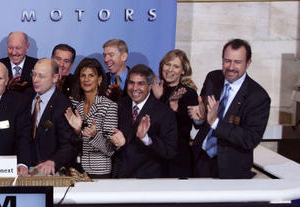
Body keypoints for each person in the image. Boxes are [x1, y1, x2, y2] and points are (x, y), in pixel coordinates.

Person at [189, 39, 270, 179]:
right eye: (227, 61)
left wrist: (215, 123)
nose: (231, 67)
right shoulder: (213, 78)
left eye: (237, 62)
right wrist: (200, 119)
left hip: (230, 169)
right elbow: (202, 118)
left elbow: (250, 139)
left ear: (248, 63)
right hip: (200, 159)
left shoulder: (258, 97)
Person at [109, 65, 178, 178]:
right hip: (120, 178)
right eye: (131, 83)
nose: (135, 88)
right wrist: (117, 145)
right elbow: (108, 143)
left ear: (150, 86)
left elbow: (170, 151)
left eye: (141, 83)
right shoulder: (118, 106)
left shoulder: (164, 113)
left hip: (148, 181)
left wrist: (146, 139)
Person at [64, 58, 118, 178]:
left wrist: (94, 136)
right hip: (74, 169)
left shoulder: (109, 106)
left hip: (99, 172)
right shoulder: (73, 104)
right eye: (83, 75)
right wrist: (77, 131)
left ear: (99, 80)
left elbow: (110, 149)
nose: (86, 79)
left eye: (91, 75)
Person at [151, 49, 198, 178]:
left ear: (183, 71)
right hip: (154, 156)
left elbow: (183, 131)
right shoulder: (154, 90)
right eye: (167, 64)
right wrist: (158, 98)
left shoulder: (188, 93)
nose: (170, 69)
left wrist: (174, 109)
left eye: (176, 66)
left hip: (177, 158)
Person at [29, 58, 76, 175]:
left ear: (55, 78)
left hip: (49, 172)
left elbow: (69, 144)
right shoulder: (26, 97)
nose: (35, 80)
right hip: (25, 169)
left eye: (41, 76)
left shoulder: (62, 105)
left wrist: (53, 162)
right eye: (33, 74)